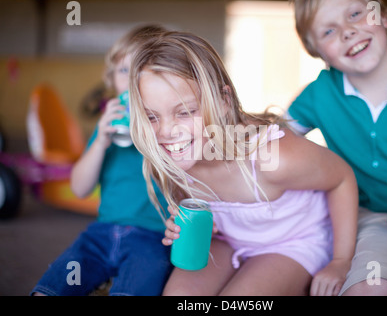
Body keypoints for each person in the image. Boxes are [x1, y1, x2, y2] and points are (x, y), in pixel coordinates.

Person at [128, 30, 358, 296]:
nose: (167, 131)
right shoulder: (167, 158)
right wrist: (184, 222)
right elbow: (200, 213)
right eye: (152, 117)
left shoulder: (273, 157)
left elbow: (342, 178)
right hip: (227, 241)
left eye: (185, 112)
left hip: (291, 242)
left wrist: (341, 261)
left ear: (224, 101)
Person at [287, 0, 387, 296]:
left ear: (384, 17)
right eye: (328, 31)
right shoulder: (320, 93)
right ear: (315, 51)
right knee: (372, 286)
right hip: (378, 223)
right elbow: (271, 142)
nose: (347, 31)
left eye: (356, 14)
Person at [31, 25, 172, 296]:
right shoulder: (106, 125)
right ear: (112, 80)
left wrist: (154, 130)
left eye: (143, 71)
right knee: (51, 289)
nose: (131, 80)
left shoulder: (171, 130)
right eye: (123, 71)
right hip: (101, 234)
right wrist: (100, 142)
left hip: (152, 238)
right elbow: (80, 189)